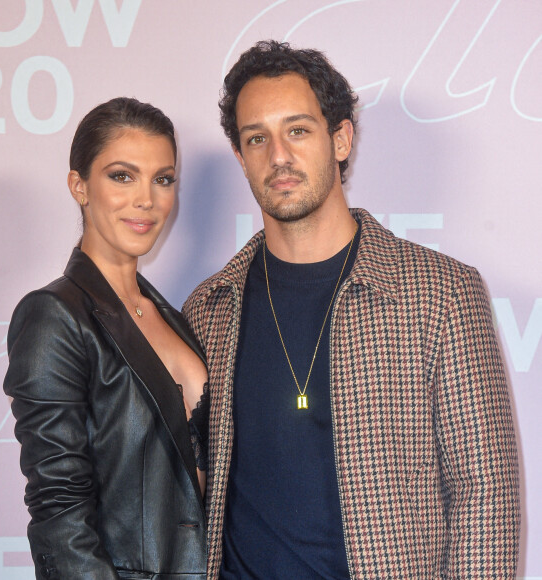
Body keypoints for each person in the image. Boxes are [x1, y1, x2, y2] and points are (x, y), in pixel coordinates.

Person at [182, 41, 520, 579]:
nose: (278, 156)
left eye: (297, 130)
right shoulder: (208, 308)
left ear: (340, 138)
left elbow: (487, 497)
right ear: (240, 155)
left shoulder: (442, 294)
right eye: (256, 138)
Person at [4, 97, 207, 580]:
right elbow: (58, 510)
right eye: (122, 176)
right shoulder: (54, 314)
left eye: (163, 179)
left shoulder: (174, 316)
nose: (146, 200)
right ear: (79, 185)